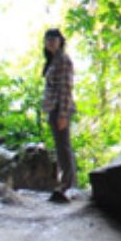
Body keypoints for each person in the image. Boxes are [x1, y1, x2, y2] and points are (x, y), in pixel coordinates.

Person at [41, 28, 76, 200]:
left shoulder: (63, 60)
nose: (51, 42)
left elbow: (65, 89)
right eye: (48, 39)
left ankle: (68, 184)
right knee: (60, 147)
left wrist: (63, 114)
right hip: (53, 108)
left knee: (64, 147)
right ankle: (65, 183)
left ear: (61, 41)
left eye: (54, 39)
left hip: (60, 108)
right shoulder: (53, 60)